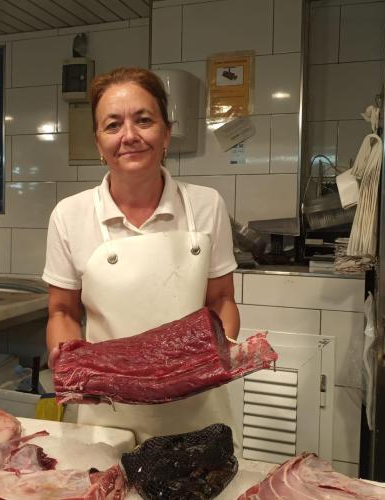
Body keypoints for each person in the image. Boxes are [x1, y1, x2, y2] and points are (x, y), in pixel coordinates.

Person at [42, 67, 241, 446]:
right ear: (98, 143)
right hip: (107, 417)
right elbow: (62, 312)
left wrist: (220, 352)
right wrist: (68, 362)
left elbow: (221, 300)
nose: (129, 136)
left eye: (144, 120)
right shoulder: (69, 215)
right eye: (112, 125)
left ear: (166, 133)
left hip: (197, 411)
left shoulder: (206, 205)